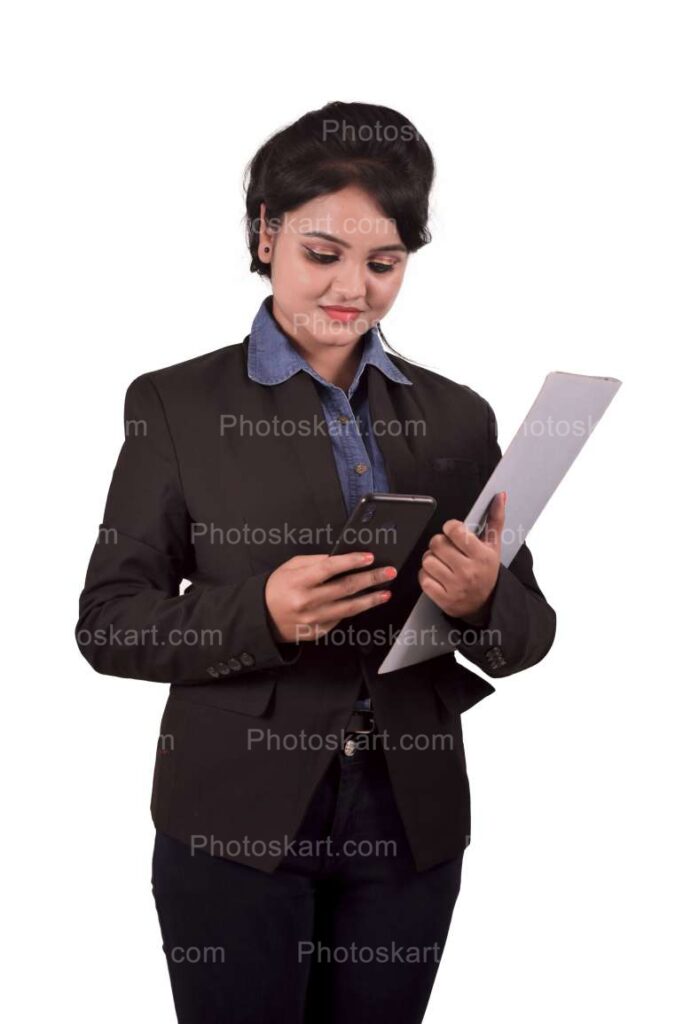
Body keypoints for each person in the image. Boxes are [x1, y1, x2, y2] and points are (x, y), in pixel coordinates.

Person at [75, 100, 556, 1023]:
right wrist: (262, 612)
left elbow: (527, 634)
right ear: (265, 236)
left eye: (384, 264)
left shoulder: (458, 415)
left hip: (408, 821)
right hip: (235, 818)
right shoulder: (174, 404)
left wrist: (483, 598)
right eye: (321, 256)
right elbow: (108, 623)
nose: (353, 290)